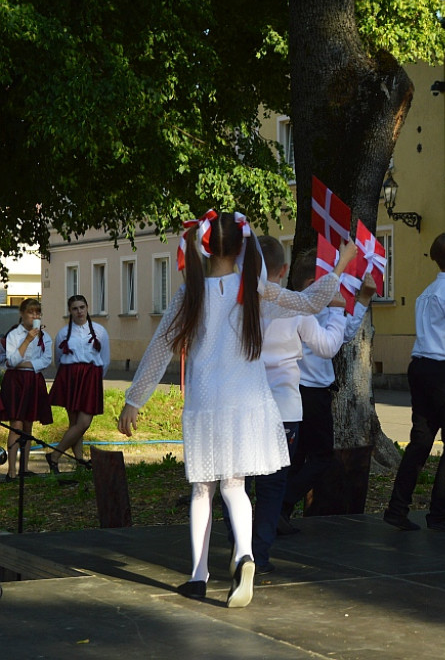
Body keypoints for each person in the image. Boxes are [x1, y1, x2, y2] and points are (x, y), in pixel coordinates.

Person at [117, 211, 355, 608]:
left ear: (204, 245)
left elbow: (161, 347)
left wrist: (134, 401)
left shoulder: (190, 292)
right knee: (235, 486)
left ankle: (197, 576)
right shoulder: (256, 291)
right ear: (243, 246)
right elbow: (311, 301)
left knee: (202, 489)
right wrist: (343, 262)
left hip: (206, 403)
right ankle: (244, 554)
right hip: (248, 401)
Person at [248, 237, 373, 572]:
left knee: (242, 480)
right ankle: (258, 555)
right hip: (288, 404)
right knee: (273, 482)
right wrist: (334, 307)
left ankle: (241, 548)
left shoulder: (237, 303)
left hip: (247, 402)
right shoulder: (294, 305)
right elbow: (330, 344)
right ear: (285, 270)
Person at [278, 247, 375, 533]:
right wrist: (338, 306)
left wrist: (363, 300)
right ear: (312, 285)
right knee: (320, 457)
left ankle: (279, 513)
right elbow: (336, 339)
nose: (338, 289)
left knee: (297, 459)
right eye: (332, 282)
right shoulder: (307, 310)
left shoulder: (303, 308)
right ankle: (278, 504)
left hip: (304, 393)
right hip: (309, 393)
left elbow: (342, 332)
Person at [383, 232, 445, 532]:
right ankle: (438, 512)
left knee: (421, 440)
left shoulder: (427, 292)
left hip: (420, 365)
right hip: (444, 369)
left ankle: (397, 508)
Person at [46, 295, 111, 471]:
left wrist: (95, 378)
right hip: (70, 377)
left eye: (82, 307)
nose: (79, 311)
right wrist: (70, 376)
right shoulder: (62, 333)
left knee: (83, 423)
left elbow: (105, 359)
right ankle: (80, 462)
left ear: (87, 308)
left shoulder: (99, 331)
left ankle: (54, 455)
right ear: (70, 311)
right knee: (74, 423)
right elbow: (58, 360)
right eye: (75, 308)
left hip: (91, 377)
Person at [2, 298, 53, 481]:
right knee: (16, 423)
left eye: (38, 313)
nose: (35, 316)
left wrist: (28, 364)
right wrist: (27, 340)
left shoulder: (45, 337)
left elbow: (46, 360)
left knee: (28, 424)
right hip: (15, 382)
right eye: (31, 312)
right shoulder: (14, 335)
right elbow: (12, 361)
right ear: (22, 314)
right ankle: (12, 470)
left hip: (33, 380)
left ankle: (24, 467)